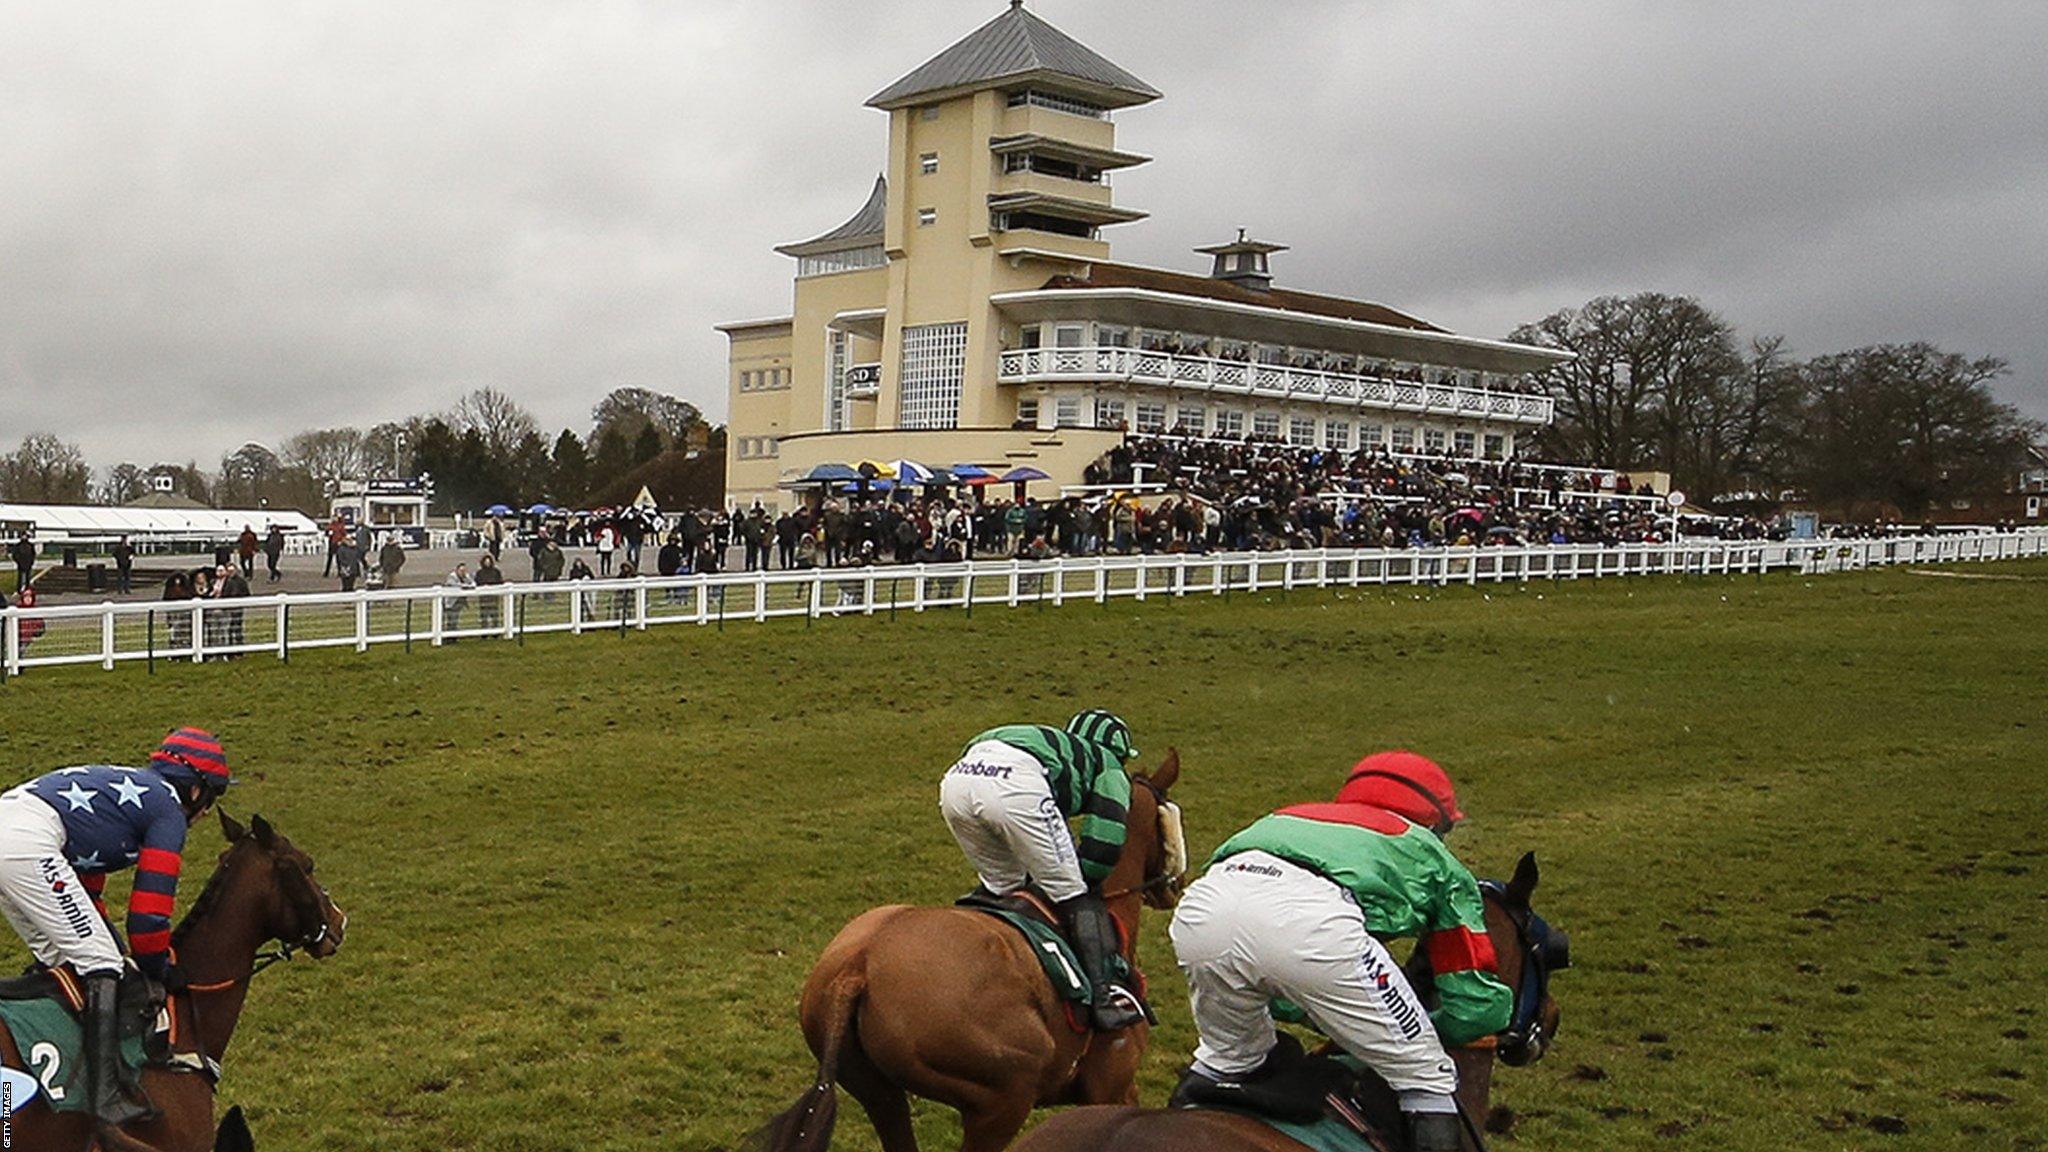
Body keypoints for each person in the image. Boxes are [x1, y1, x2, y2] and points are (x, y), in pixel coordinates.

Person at [1166, 751, 1509, 1152]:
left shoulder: (1287, 817)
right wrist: (1410, 1031)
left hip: (1203, 912)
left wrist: (1330, 1013)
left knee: (1230, 1058)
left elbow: (1266, 954)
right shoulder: (1432, 855)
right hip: (1312, 928)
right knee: (1426, 1075)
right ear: (1436, 823)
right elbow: (1477, 1006)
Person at [0, 727, 234, 1127]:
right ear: (194, 791)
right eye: (211, 796)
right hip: (25, 843)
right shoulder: (167, 810)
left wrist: (118, 946)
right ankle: (107, 1096)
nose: (207, 811)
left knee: (65, 958)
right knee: (101, 964)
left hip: (18, 833)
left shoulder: (131, 792)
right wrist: (156, 966)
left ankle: (49, 1061)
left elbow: (85, 887)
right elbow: (148, 915)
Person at [938, 710, 1149, 1031]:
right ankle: (1103, 1000)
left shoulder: (1050, 744)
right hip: (1015, 785)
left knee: (1005, 886)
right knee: (1073, 890)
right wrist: (1084, 879)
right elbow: (1105, 840)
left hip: (956, 782)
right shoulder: (1107, 763)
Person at [473, 553, 506, 632]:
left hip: (493, 596)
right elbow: (477, 582)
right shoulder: (479, 573)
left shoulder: (496, 572)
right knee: (484, 614)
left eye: (488, 561)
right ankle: (484, 631)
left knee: (494, 614)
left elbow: (500, 582)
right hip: (483, 596)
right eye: (486, 562)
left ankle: (496, 630)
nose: (487, 563)